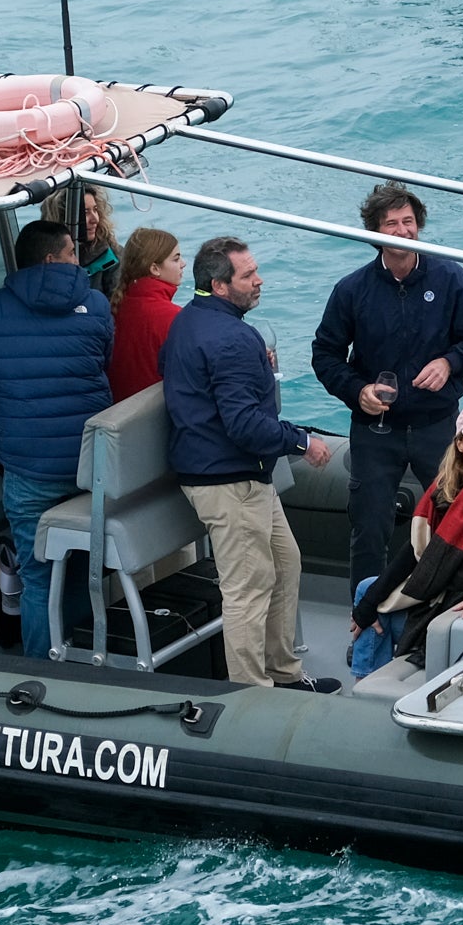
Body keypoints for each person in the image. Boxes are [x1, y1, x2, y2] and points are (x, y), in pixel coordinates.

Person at [0, 219, 114, 658]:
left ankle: (41, 672)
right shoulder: (96, 303)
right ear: (52, 258)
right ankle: (91, 661)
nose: (77, 259)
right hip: (93, 465)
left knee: (38, 577)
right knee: (84, 572)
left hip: (31, 470)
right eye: (72, 252)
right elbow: (101, 360)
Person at [160, 236, 336, 690]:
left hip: (226, 472)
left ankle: (284, 673)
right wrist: (303, 443)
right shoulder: (234, 338)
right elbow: (244, 426)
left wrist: (255, 365)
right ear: (220, 286)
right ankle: (251, 694)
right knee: (247, 589)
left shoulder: (188, 321)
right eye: (248, 275)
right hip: (229, 480)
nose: (259, 281)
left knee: (285, 562)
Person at [311, 182, 463, 600]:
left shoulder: (450, 278)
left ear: (419, 226)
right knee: (369, 527)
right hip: (375, 431)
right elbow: (325, 355)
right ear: (373, 231)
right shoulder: (352, 290)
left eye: (408, 222)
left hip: (437, 426)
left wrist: (450, 363)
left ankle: (450, 607)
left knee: (454, 519)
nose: (401, 231)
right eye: (390, 223)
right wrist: (357, 391)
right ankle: (364, 621)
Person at [349, 404, 463, 669]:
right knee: (367, 591)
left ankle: (374, 678)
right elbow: (416, 552)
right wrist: (369, 603)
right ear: (460, 443)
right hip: (437, 586)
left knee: (375, 601)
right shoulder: (444, 487)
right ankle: (370, 681)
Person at [109, 227, 184, 401]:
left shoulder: (116, 307)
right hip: (157, 415)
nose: (183, 263)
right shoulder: (173, 318)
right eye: (176, 259)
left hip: (118, 409)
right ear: (155, 268)